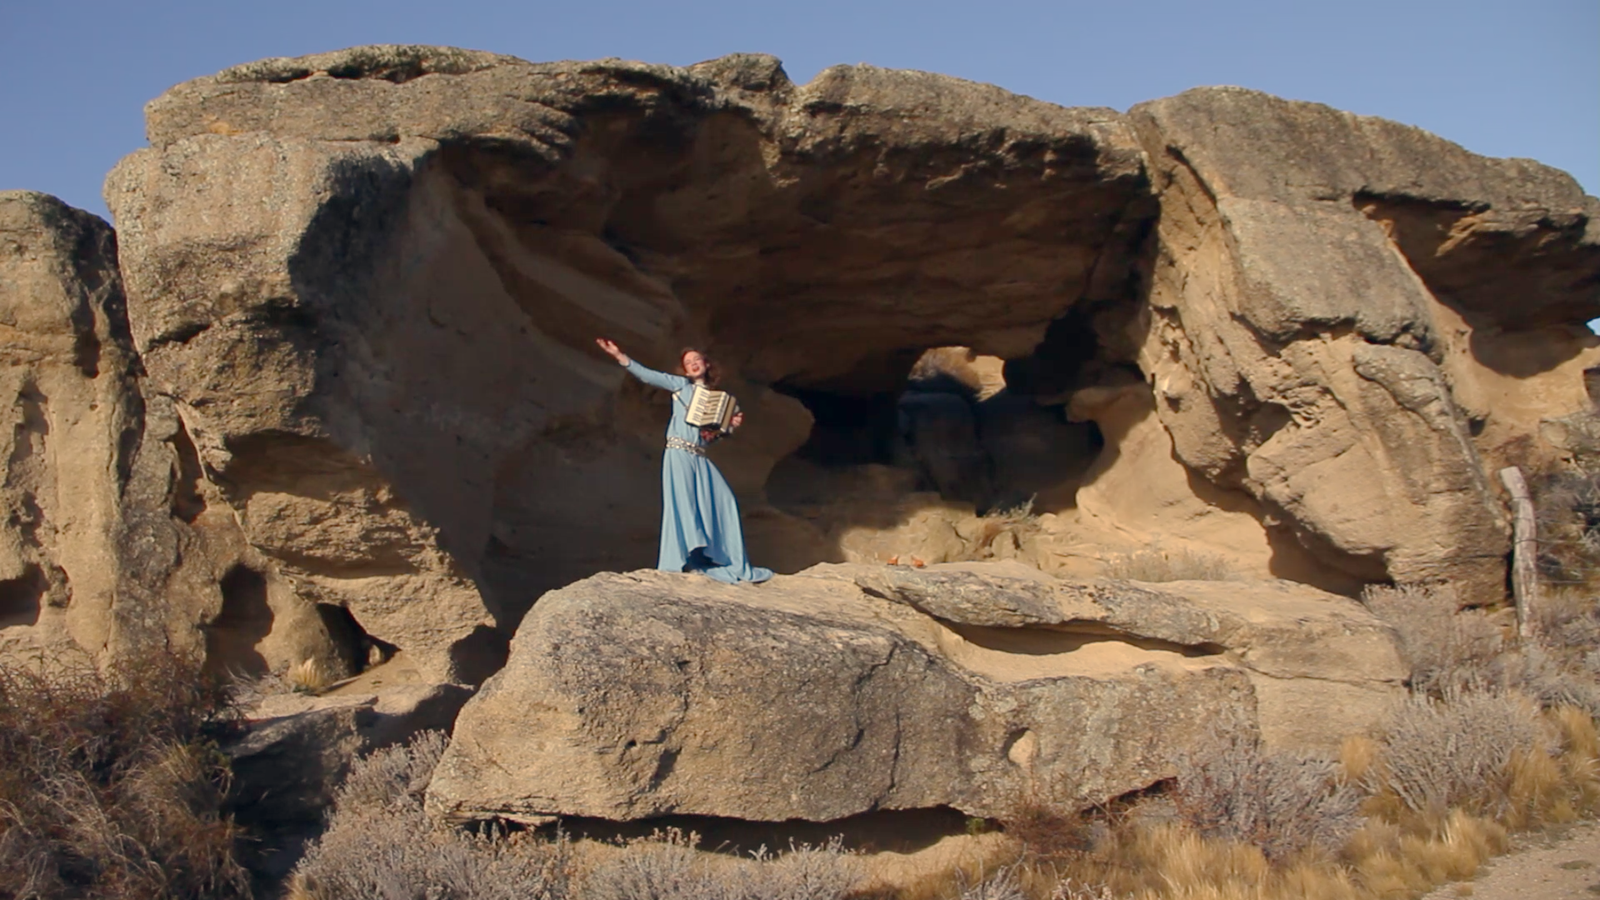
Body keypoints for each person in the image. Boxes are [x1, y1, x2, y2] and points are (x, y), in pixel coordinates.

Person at [595, 338, 774, 584]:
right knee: (685, 505)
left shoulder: (716, 399)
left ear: (706, 364)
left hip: (699, 456)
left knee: (724, 500)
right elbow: (648, 376)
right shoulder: (680, 386)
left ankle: (719, 559)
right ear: (685, 370)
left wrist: (730, 427)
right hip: (678, 453)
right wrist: (619, 356)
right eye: (688, 362)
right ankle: (689, 560)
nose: (693, 364)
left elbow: (708, 439)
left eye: (697, 360)